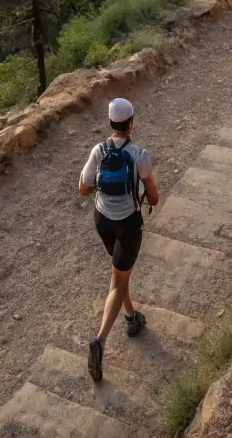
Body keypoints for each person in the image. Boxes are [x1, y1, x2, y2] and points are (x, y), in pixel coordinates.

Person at [79, 97, 160, 383]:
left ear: (111, 123)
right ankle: (99, 340)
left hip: (103, 222)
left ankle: (131, 318)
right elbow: (153, 196)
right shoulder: (139, 155)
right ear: (131, 123)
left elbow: (83, 188)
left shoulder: (98, 151)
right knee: (117, 279)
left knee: (119, 270)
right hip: (127, 225)